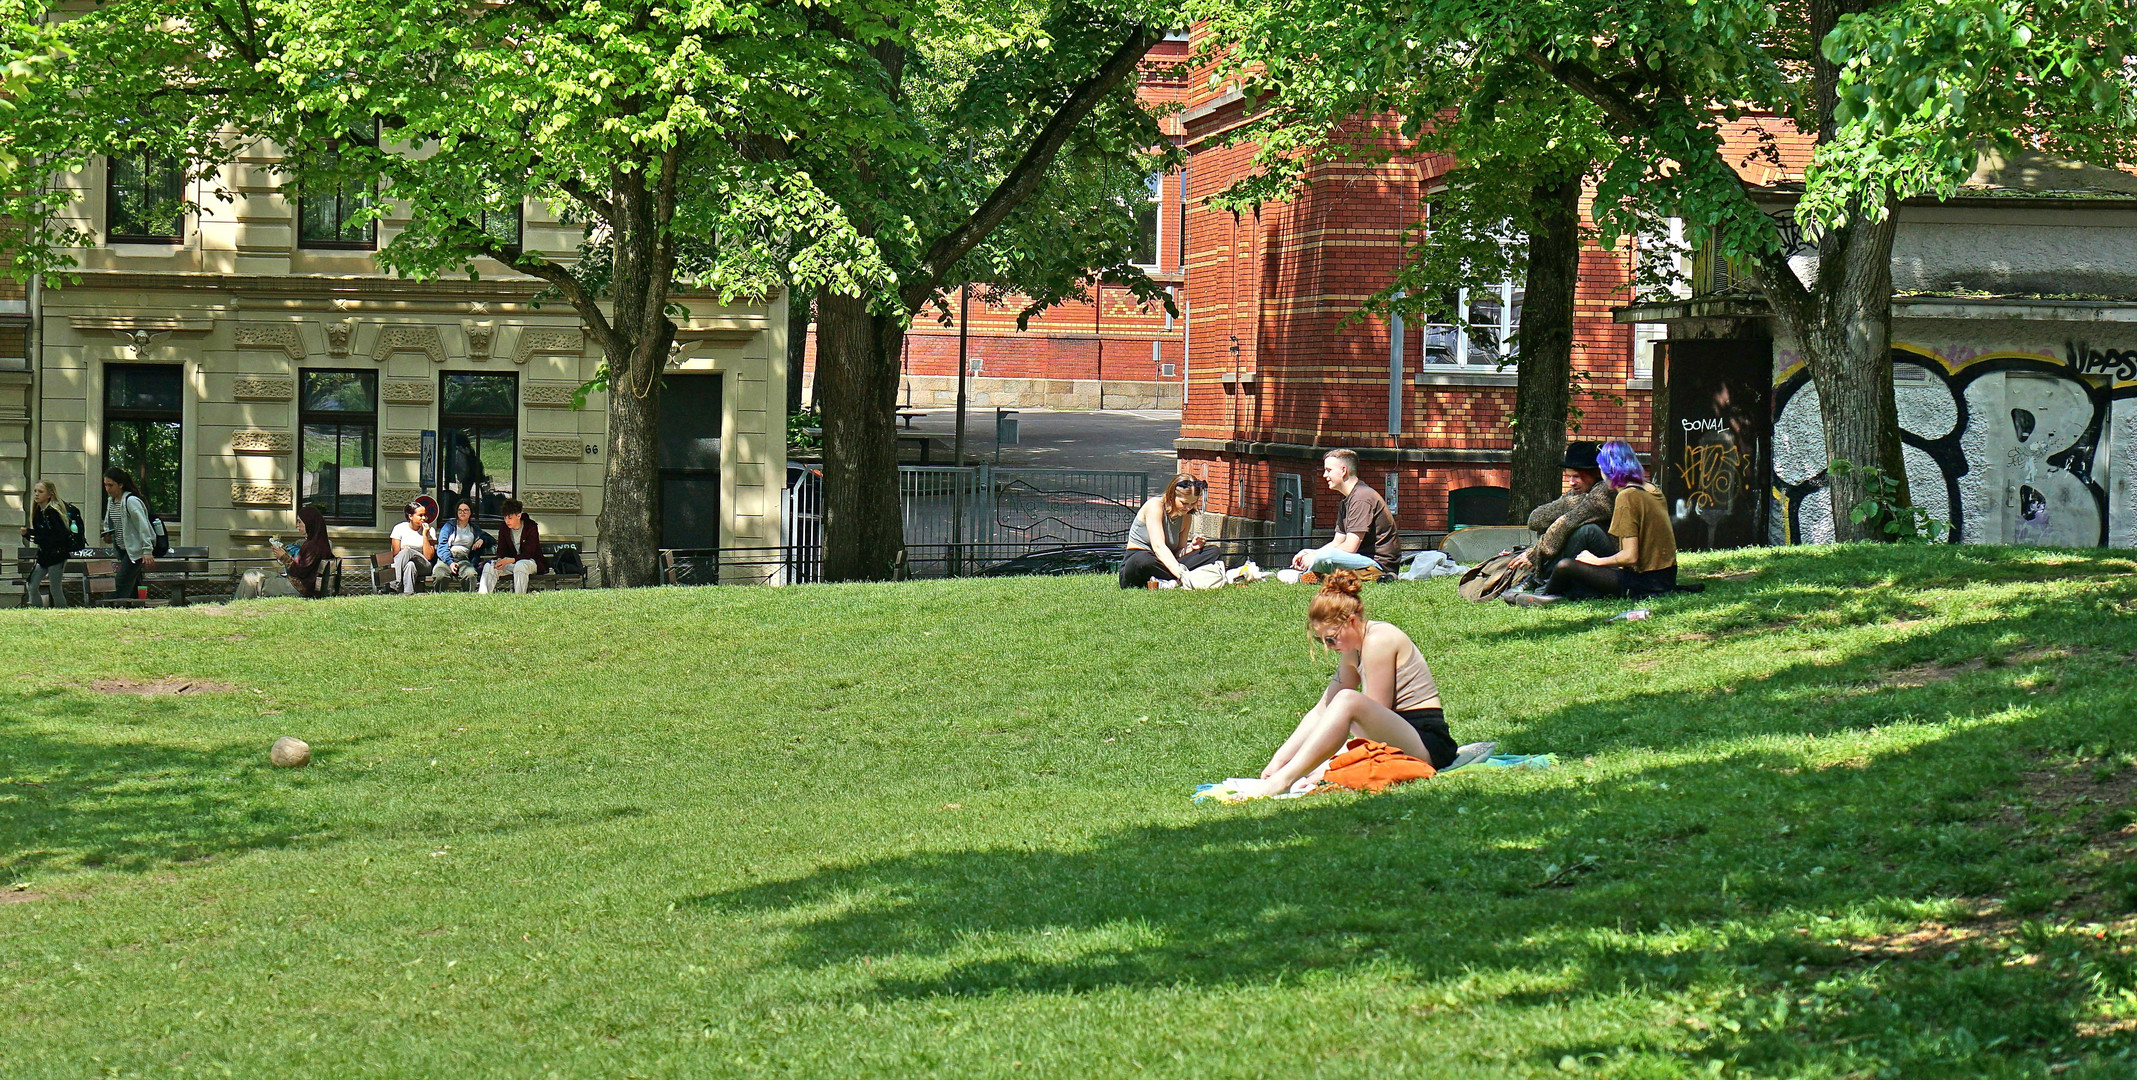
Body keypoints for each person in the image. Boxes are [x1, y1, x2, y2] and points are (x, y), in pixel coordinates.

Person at [1231, 570, 1456, 799]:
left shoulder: (1378, 640)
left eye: (1330, 638)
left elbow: (1373, 714)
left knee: (1348, 699)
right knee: (1342, 700)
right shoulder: (1354, 649)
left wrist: (1330, 764)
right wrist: (1280, 759)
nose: (1328, 647)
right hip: (1401, 736)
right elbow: (1323, 708)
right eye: (1322, 641)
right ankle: (1283, 776)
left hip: (1428, 744)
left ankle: (1283, 781)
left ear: (1351, 621)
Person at [1515, 439, 1678, 606]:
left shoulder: (1626, 496)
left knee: (1566, 565)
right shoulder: (1650, 488)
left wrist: (1596, 561)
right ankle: (1550, 590)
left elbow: (1630, 556)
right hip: (1666, 577)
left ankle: (1544, 591)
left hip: (1644, 582)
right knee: (1578, 571)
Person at [1507, 441, 1619, 583]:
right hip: (1588, 559)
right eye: (1569, 477)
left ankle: (1541, 579)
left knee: (1585, 530)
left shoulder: (1605, 491)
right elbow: (1535, 520)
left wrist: (1534, 555)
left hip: (1613, 560)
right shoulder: (1577, 494)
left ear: (1595, 473)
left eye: (1577, 476)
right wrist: (1577, 502)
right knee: (1558, 527)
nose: (1571, 482)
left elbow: (1567, 523)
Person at [1290, 449, 1401, 577]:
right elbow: (1337, 542)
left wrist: (1315, 557)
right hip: (1359, 560)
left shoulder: (1361, 498)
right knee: (1307, 557)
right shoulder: (1346, 500)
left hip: (1378, 565)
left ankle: (1318, 575)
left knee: (1325, 557)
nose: (1324, 475)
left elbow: (1349, 547)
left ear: (1344, 471)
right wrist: (1310, 553)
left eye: (1329, 470)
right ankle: (1318, 575)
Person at [1120, 474, 1227, 589]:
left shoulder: (1186, 516)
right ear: (1171, 496)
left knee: (1213, 551)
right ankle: (1180, 579)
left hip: (1167, 563)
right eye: (1184, 503)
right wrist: (1182, 574)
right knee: (1143, 560)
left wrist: (1191, 548)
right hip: (1142, 562)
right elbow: (1159, 547)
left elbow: (1177, 552)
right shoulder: (1155, 506)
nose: (1188, 508)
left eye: (1192, 504)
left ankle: (1166, 582)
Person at [100, 467, 157, 603]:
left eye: (111, 485)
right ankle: (135, 606)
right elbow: (111, 522)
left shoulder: (131, 501)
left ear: (121, 485)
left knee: (120, 582)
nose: (107, 489)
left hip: (135, 550)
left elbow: (143, 527)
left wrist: (147, 551)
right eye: (105, 485)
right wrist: (108, 533)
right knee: (132, 583)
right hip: (122, 549)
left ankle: (111, 607)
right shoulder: (111, 501)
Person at [21, 480, 76, 608]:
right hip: (45, 555)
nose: (36, 494)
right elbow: (42, 535)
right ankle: (37, 611)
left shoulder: (53, 512)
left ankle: (62, 614)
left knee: (55, 589)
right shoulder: (39, 512)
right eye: (35, 491)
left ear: (49, 495)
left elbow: (55, 536)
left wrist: (29, 534)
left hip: (56, 556)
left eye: (40, 491)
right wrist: (28, 534)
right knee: (31, 585)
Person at [481, 498, 547, 594]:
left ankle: (518, 598)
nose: (507, 521)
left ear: (518, 516)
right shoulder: (504, 528)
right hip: (510, 562)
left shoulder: (531, 526)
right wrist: (500, 560)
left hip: (530, 562)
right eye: (505, 518)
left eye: (510, 518)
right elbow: (501, 549)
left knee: (520, 566)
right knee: (490, 566)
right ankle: (483, 596)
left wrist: (511, 560)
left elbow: (529, 553)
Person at [273, 504, 336, 598]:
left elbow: (299, 572)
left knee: (253, 578)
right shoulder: (318, 542)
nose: (297, 525)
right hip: (300, 584)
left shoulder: (313, 546)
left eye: (299, 522)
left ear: (309, 523)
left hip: (300, 587)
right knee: (254, 575)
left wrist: (284, 557)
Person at [432, 498, 490, 590]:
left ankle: (468, 599)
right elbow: (442, 545)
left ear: (470, 512)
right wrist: (450, 562)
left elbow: (490, 538)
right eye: (460, 510)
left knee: (471, 575)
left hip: (463, 559)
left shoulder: (473, 529)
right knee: (440, 575)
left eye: (466, 510)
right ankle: (438, 599)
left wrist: (482, 539)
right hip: (446, 557)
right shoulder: (449, 526)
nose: (462, 512)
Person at [388, 501, 436, 595]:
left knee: (408, 551)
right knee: (410, 565)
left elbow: (429, 556)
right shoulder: (399, 528)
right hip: (404, 563)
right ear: (410, 516)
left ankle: (393, 585)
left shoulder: (430, 530)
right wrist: (405, 551)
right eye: (420, 515)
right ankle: (408, 594)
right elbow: (396, 554)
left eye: (424, 515)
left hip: (424, 565)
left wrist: (425, 535)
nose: (424, 518)